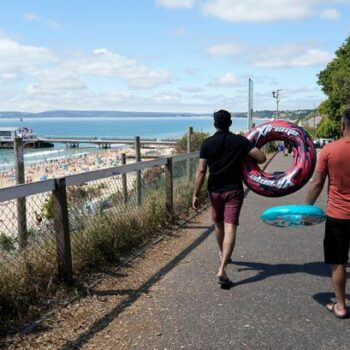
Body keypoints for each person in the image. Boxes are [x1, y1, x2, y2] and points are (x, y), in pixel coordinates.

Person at [192, 109, 266, 287]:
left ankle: (222, 253)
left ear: (214, 124)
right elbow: (262, 158)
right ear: (230, 123)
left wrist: (195, 194)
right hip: (234, 189)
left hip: (214, 190)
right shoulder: (240, 141)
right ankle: (222, 268)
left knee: (218, 224)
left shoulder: (207, 143)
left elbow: (201, 171)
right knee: (230, 226)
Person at [305, 108, 350, 319]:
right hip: (338, 215)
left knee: (338, 261)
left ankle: (340, 305)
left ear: (342, 126)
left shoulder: (329, 150)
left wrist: (306, 209)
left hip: (338, 216)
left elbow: (317, 184)